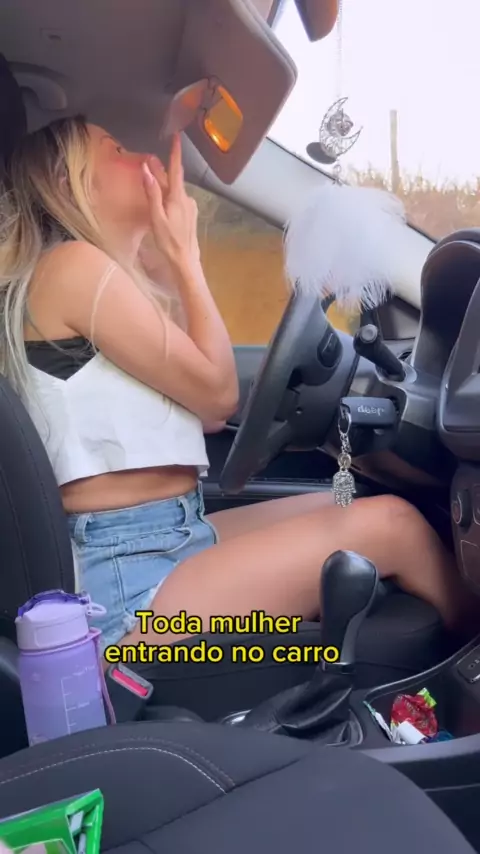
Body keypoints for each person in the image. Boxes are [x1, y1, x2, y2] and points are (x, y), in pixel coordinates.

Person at [0, 116, 473, 653]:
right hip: (127, 592)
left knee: (348, 503)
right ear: (70, 183)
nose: (142, 155)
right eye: (117, 150)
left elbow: (204, 413)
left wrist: (169, 266)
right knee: (394, 526)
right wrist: (186, 257)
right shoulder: (73, 266)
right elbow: (220, 395)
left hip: (163, 539)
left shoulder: (92, 279)